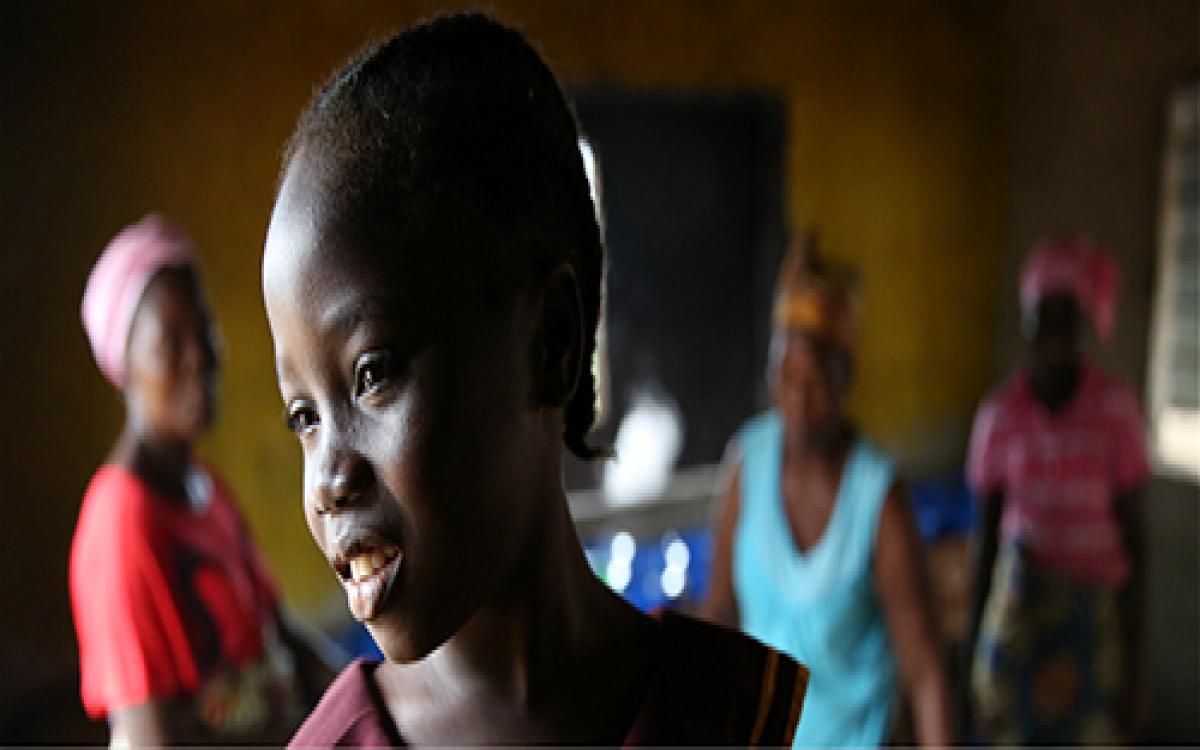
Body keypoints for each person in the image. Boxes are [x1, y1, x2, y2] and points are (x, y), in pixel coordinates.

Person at [261, 14, 808, 748]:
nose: (328, 479)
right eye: (304, 416)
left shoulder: (720, 713)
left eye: (372, 375)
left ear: (550, 341)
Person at [72, 214, 338, 746]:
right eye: (171, 344)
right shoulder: (122, 524)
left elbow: (276, 632)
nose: (202, 358)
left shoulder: (203, 487)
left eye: (205, 330)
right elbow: (156, 740)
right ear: (123, 366)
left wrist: (366, 690)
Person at [704, 234, 953, 748]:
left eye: (814, 381)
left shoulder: (877, 499)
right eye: (784, 378)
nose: (796, 400)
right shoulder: (747, 464)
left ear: (844, 380)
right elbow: (720, 614)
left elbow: (925, 675)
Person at [964, 235, 1148, 744]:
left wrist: (1135, 673)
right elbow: (984, 548)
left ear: (1083, 327)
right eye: (1043, 318)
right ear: (1026, 323)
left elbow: (1137, 545)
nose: (1054, 335)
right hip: (1020, 615)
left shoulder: (1115, 411)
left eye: (1067, 319)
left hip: (1094, 620)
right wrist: (970, 661)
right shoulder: (998, 416)